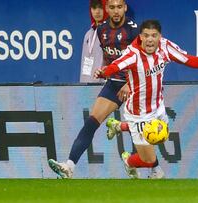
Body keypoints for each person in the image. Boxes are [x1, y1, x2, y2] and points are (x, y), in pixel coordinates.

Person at [95, 19, 198, 179]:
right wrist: (103, 73)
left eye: (154, 35)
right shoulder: (133, 54)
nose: (150, 39)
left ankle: (119, 127)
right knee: (148, 160)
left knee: (161, 136)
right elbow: (115, 66)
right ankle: (128, 160)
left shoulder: (165, 47)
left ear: (160, 36)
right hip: (138, 113)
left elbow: (190, 60)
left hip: (157, 106)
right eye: (146, 35)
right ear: (140, 36)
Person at [48, 0, 144, 178]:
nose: (115, 11)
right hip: (114, 83)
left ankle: (146, 167)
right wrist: (104, 72)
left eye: (119, 7)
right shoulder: (102, 31)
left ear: (124, 8)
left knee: (141, 127)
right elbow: (110, 59)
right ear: (108, 9)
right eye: (112, 7)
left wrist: (130, 83)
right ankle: (69, 166)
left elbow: (143, 61)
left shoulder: (134, 30)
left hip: (135, 84)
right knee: (92, 122)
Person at [80, 0, 107, 83]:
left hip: (104, 83)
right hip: (87, 83)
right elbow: (84, 62)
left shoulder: (110, 33)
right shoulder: (88, 34)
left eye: (100, 8)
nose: (97, 11)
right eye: (94, 8)